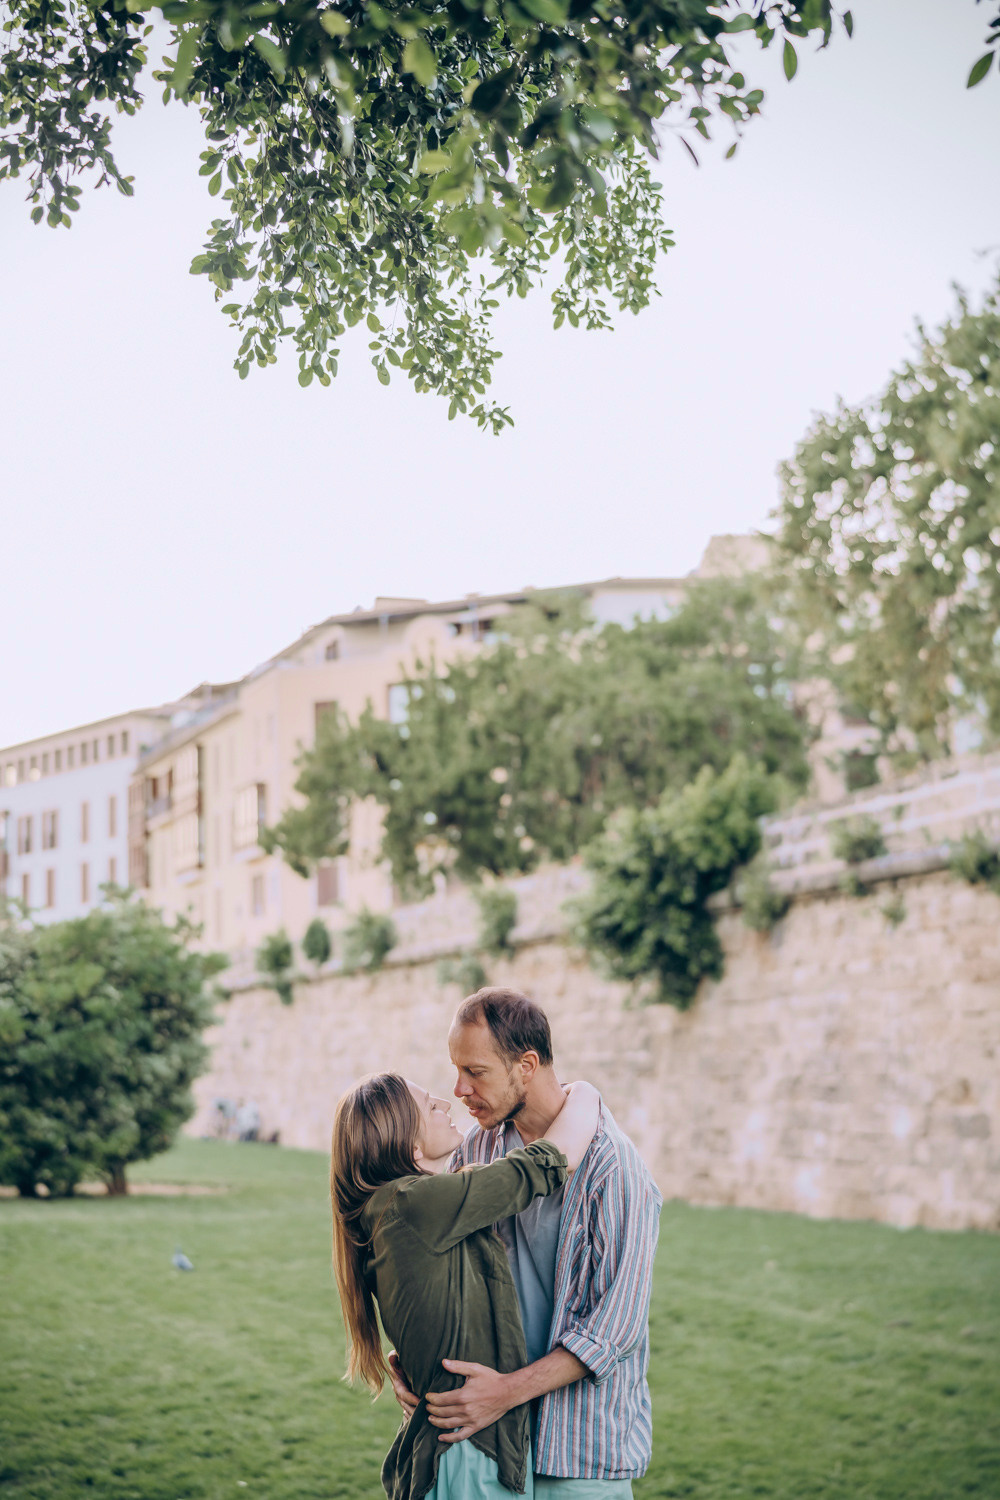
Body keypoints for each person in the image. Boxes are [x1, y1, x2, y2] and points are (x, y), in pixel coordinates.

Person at [389, 988, 662, 1497]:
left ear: (527, 1065)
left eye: (476, 1072)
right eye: (457, 1070)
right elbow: (439, 1268)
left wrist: (505, 1393)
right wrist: (414, 1363)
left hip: (579, 1453)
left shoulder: (617, 1171)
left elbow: (613, 1331)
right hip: (493, 1442)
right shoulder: (479, 1146)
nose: (460, 1088)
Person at [331, 1070, 601, 1499]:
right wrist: (585, 1092)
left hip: (455, 1450)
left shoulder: (396, 1209)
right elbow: (552, 1160)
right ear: (410, 1146)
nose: (446, 1103)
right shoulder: (415, 1203)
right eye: (430, 1106)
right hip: (467, 1453)